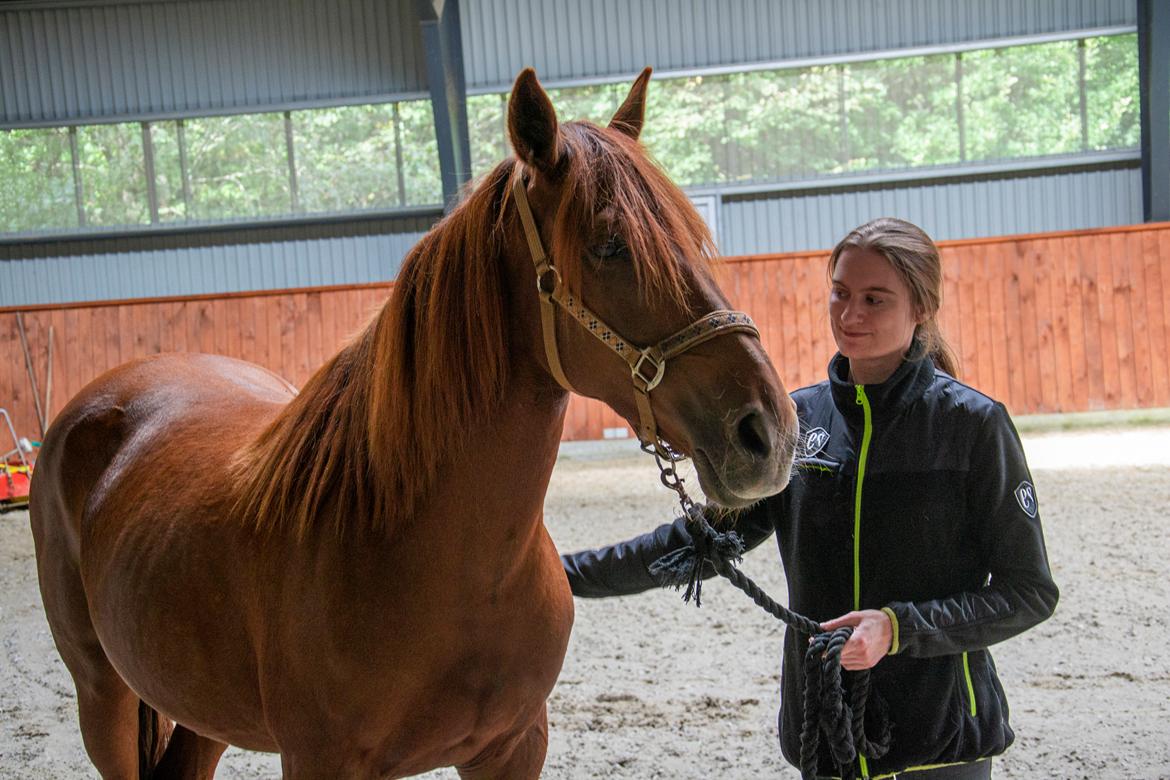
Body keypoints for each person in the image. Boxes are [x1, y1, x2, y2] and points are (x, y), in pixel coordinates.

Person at [561, 217, 1059, 779]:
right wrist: (561, 574)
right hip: (825, 733)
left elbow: (1028, 592)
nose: (850, 316)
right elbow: (697, 544)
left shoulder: (973, 425)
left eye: (875, 299)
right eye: (841, 293)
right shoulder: (799, 425)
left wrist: (898, 630)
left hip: (941, 743)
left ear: (921, 308)